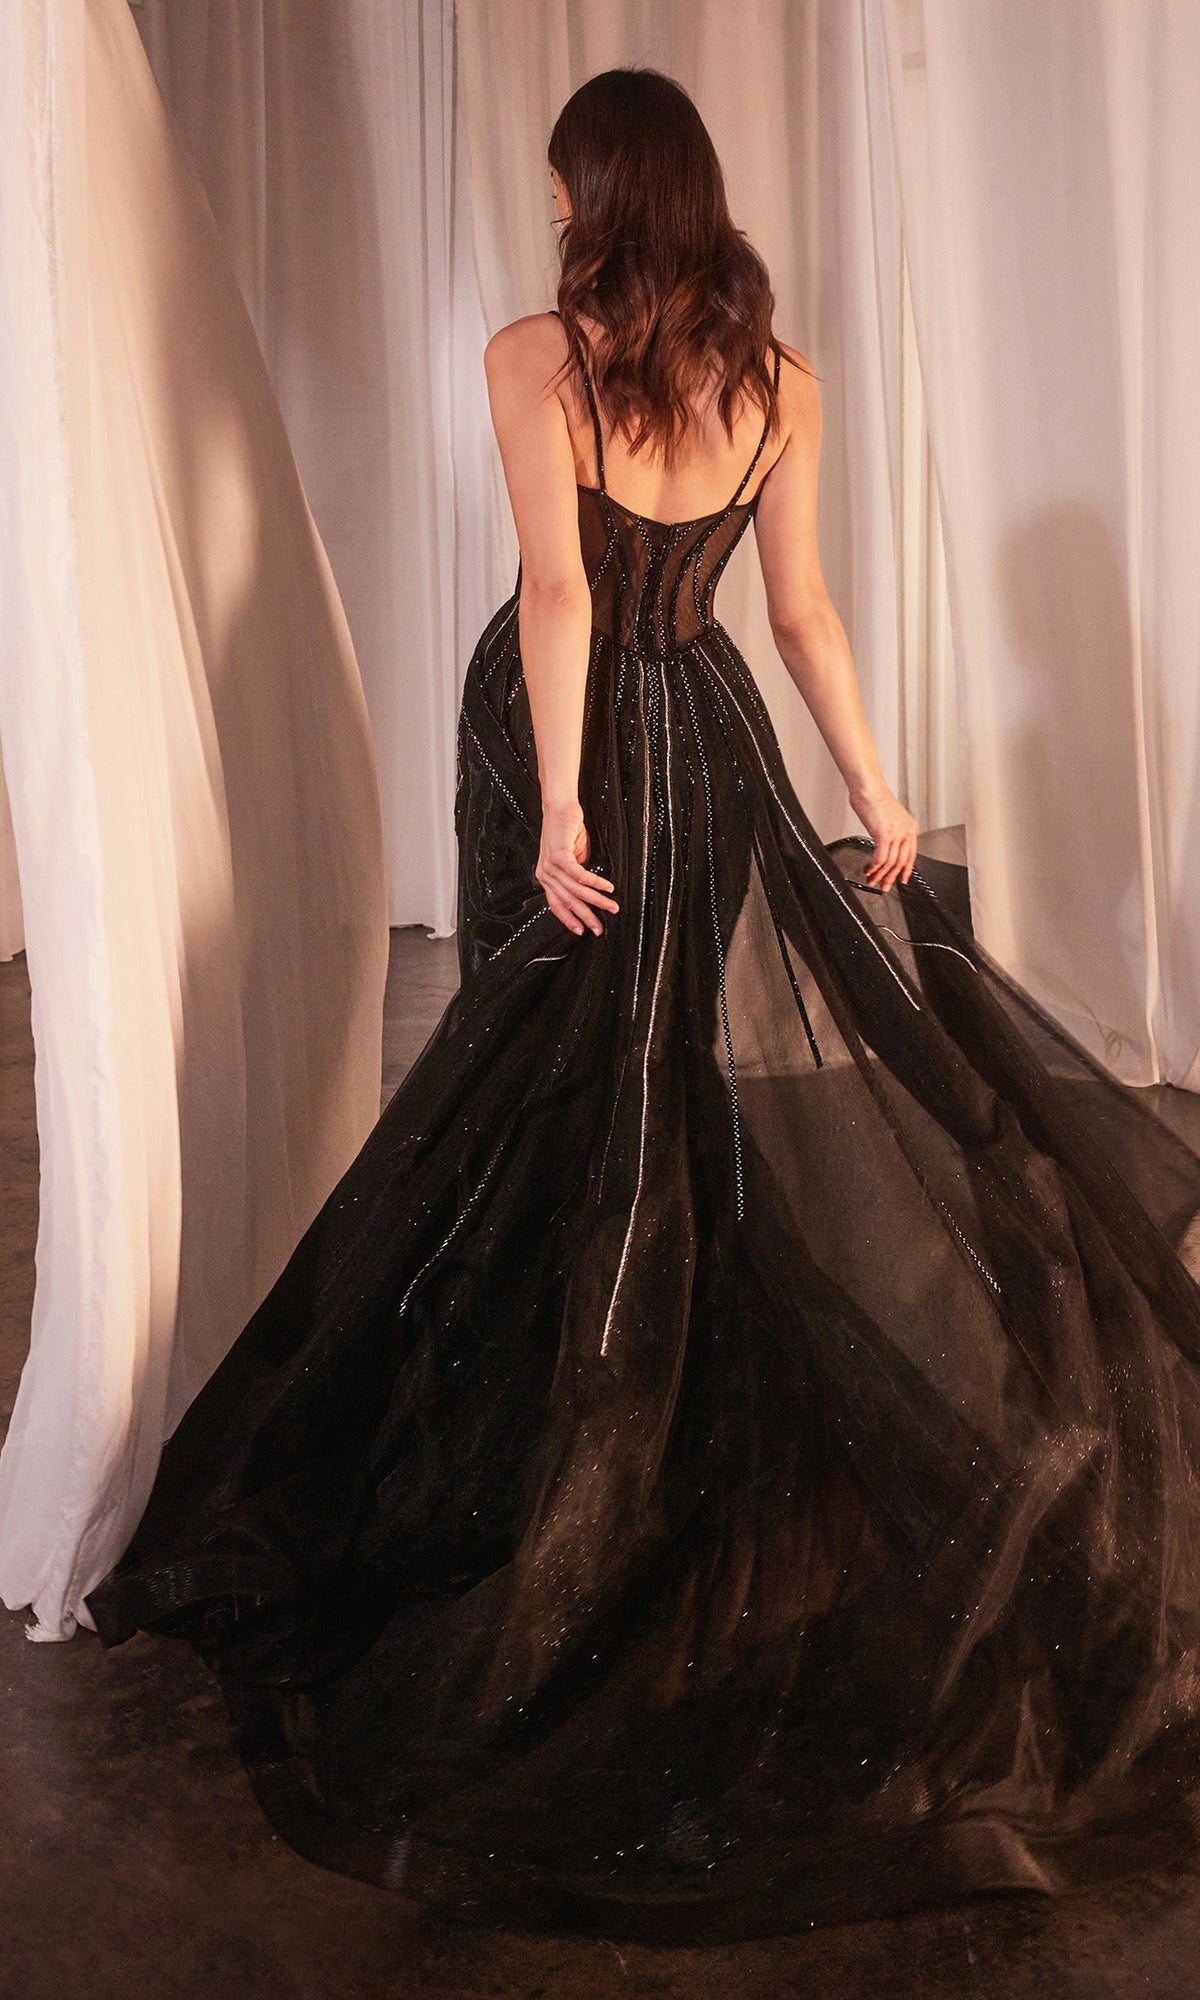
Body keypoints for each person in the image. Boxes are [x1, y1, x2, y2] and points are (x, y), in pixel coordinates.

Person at [85, 69, 1200, 1944]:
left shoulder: (543, 355)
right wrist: (870, 784)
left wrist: (569, 803)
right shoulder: (783, 381)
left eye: (552, 178)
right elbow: (807, 614)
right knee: (655, 1077)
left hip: (582, 750)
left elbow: (549, 590)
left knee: (550, 1081)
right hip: (714, 736)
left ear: (592, 193)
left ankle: (578, 1453)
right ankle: (629, 1421)